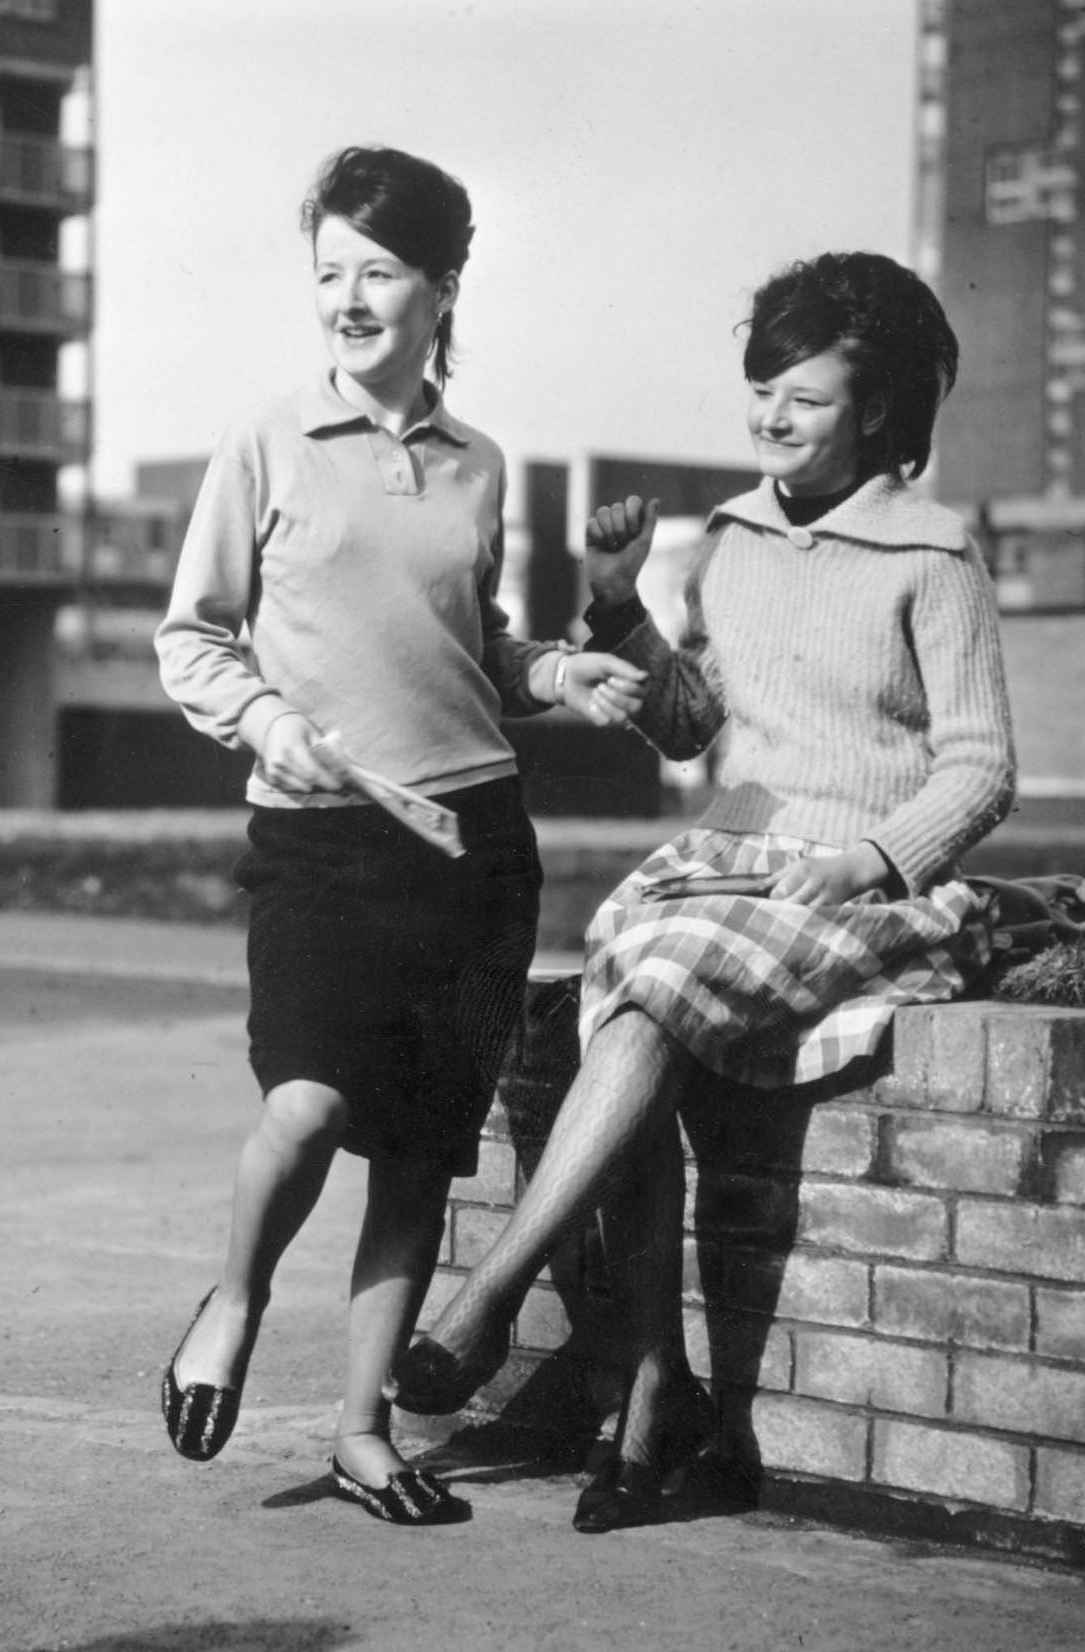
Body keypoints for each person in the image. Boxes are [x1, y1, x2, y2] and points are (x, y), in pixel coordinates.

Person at [389, 250, 1017, 1533]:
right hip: (718, 862)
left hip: (853, 880)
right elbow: (687, 729)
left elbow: (982, 766)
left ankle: (493, 1299)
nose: (770, 419)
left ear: (881, 410)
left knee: (649, 984)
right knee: (630, 995)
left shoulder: (932, 553)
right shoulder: (726, 540)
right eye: (760, 393)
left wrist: (880, 857)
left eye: (803, 398)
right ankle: (656, 1388)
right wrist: (619, 610)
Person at [153, 144, 638, 1525]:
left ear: (442, 288)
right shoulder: (263, 444)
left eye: (378, 271)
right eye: (330, 272)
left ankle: (365, 1434)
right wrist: (265, 721)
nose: (349, 298)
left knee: (420, 1153)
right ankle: (236, 1300)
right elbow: (190, 639)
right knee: (304, 1108)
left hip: (472, 846)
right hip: (316, 842)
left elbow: (469, 641)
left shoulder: (480, 467)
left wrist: (556, 672)